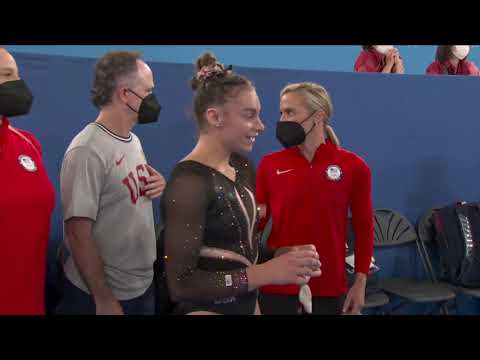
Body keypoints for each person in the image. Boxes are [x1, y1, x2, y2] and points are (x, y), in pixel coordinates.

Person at [161, 52, 322, 315]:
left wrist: (278, 255)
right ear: (214, 117)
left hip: (245, 305)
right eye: (249, 115)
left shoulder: (242, 167)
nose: (260, 126)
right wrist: (265, 273)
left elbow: (235, 245)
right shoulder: (189, 182)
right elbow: (181, 285)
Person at [57, 51, 165, 315]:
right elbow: (77, 234)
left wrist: (157, 183)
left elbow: (123, 194)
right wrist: (103, 298)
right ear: (125, 94)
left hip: (140, 288)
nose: (153, 98)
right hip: (99, 296)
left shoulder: (133, 141)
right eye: (148, 91)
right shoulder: (87, 150)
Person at [256, 82, 374, 315]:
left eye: (290, 112)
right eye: (281, 112)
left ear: (317, 116)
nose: (282, 119)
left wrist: (360, 283)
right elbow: (254, 227)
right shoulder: (270, 165)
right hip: (277, 285)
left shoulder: (353, 166)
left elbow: (364, 228)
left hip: (329, 287)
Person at [0, 47, 55, 315]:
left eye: (18, 74)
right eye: (7, 75)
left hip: (30, 301)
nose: (18, 84)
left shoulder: (28, 143)